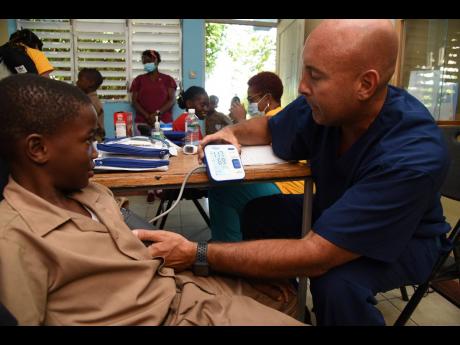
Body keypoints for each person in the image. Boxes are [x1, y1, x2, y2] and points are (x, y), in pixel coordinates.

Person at [134, 20, 452, 325]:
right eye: (304, 71)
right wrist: (233, 134)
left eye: (315, 76)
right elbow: (270, 127)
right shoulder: (326, 108)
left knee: (338, 284)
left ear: (365, 84)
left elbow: (318, 255)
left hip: (407, 238)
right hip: (337, 210)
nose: (302, 87)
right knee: (262, 211)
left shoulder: (412, 154)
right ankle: (280, 300)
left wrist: (197, 253)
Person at [0, 74, 303, 326]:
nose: (96, 152)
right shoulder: (14, 241)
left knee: (285, 297)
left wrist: (222, 266)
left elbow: (150, 238)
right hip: (161, 316)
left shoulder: (91, 193)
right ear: (38, 149)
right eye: (88, 141)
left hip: (181, 289)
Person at [208, 72, 304, 242]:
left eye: (251, 99)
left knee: (222, 190)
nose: (248, 104)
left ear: (267, 98)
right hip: (281, 183)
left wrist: (240, 121)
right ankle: (234, 241)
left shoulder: (277, 119)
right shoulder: (279, 116)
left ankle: (228, 252)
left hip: (289, 188)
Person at [130, 49, 177, 134]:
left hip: (164, 123)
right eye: (144, 62)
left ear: (157, 61)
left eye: (149, 61)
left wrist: (157, 114)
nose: (146, 64)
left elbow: (172, 100)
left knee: (164, 145)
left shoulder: (168, 79)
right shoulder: (138, 80)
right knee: (142, 146)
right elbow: (134, 101)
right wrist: (147, 116)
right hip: (143, 123)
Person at [76, 68, 105, 142]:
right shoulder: (88, 99)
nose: (77, 82)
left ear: (91, 83)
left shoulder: (90, 102)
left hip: (93, 140)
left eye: (80, 80)